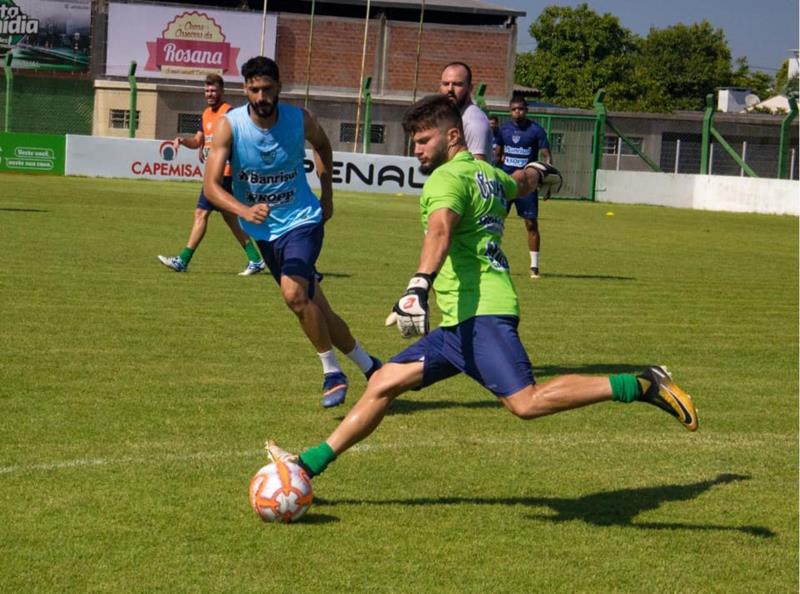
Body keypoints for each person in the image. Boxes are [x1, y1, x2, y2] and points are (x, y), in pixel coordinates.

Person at [264, 94, 698, 481]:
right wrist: (534, 169)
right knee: (382, 384)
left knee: (526, 403)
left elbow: (440, 231)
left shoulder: (446, 180)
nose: (415, 151)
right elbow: (521, 183)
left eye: (423, 140)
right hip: (458, 323)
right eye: (412, 142)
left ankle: (642, 384)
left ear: (452, 136)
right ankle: (307, 465)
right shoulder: (488, 174)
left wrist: (417, 286)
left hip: (481, 313)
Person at [203, 56, 380, 408]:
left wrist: (327, 194)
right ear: (246, 90)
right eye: (254, 89)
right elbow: (210, 187)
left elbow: (324, 146)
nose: (261, 96)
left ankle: (332, 372)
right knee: (317, 310)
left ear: (279, 89)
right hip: (264, 232)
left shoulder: (299, 120)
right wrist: (244, 210)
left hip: (302, 220)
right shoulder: (229, 126)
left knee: (293, 294)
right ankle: (372, 368)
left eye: (267, 89)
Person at [157, 74, 266, 276]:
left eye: (213, 90)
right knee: (231, 219)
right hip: (213, 173)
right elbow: (199, 141)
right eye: (207, 90)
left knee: (201, 213)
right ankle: (255, 259)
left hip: (222, 174)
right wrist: (182, 141)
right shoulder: (206, 113)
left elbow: (240, 139)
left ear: (221, 91)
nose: (210, 94)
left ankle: (183, 260)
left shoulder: (229, 113)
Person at [495, 95, 553, 278]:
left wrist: (547, 181)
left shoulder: (535, 130)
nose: (516, 112)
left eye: (520, 109)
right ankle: (492, 259)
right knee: (495, 221)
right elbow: (497, 155)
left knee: (531, 224)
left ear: (526, 110)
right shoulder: (503, 130)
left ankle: (534, 266)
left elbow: (546, 155)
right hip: (506, 182)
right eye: (513, 109)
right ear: (509, 110)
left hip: (527, 185)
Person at [438, 62, 493, 162]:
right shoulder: (447, 116)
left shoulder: (475, 122)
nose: (450, 89)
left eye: (457, 84)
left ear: (470, 88)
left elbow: (477, 170)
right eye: (446, 84)